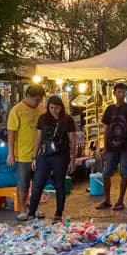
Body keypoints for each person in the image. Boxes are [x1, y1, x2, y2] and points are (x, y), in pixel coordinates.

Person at [26, 95, 77, 223]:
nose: (54, 110)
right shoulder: (43, 118)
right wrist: (34, 157)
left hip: (61, 156)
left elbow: (72, 141)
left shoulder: (68, 120)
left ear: (61, 107)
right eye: (51, 107)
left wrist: (72, 160)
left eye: (57, 108)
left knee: (60, 185)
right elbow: (38, 139)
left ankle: (58, 214)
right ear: (48, 107)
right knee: (38, 184)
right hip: (44, 155)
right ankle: (31, 212)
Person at [7, 84, 47, 221]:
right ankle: (23, 209)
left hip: (40, 154)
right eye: (36, 99)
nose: (38, 103)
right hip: (23, 155)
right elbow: (11, 134)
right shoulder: (16, 110)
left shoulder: (41, 110)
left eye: (40, 100)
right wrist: (11, 153)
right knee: (23, 183)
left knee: (38, 183)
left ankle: (34, 208)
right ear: (28, 96)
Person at [98, 83, 127, 211]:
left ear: (126, 94)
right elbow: (106, 129)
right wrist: (105, 147)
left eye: (123, 92)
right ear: (114, 93)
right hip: (111, 147)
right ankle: (107, 199)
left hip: (125, 147)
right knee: (106, 173)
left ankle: (120, 200)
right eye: (119, 92)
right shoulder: (110, 109)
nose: (121, 95)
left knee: (124, 173)